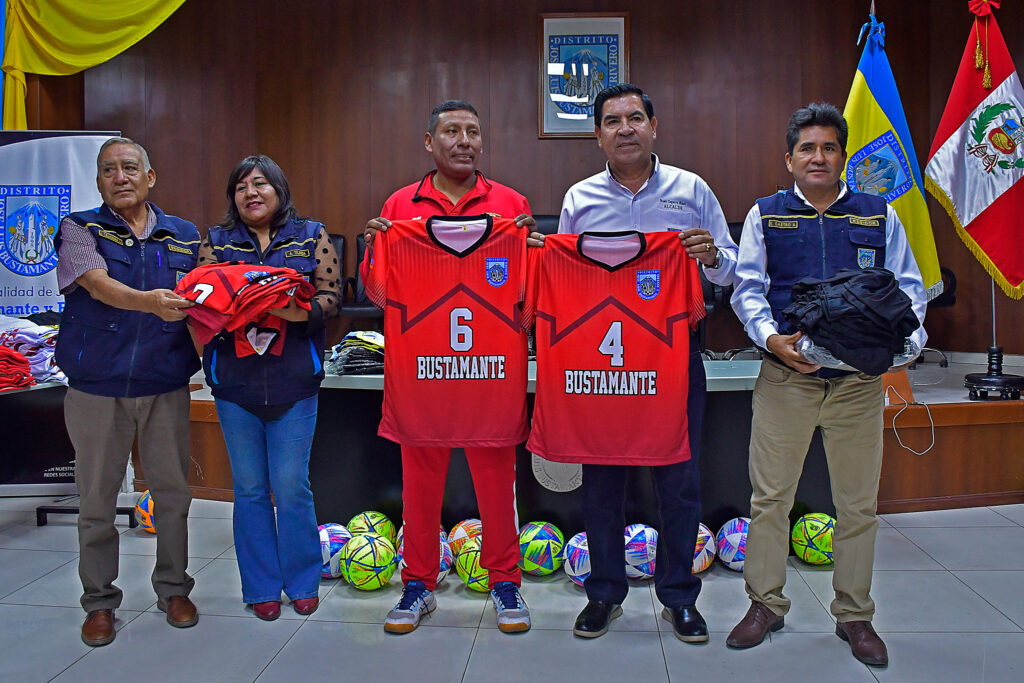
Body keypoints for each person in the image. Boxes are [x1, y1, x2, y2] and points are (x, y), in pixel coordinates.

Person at [727, 102, 927, 666]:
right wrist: (771, 340)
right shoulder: (765, 215)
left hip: (858, 385)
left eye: (829, 147)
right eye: (807, 148)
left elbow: (908, 292)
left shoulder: (876, 214)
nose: (819, 157)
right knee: (770, 500)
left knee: (858, 504)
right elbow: (747, 289)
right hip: (787, 380)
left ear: (843, 156)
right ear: (789, 158)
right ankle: (765, 604)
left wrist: (902, 347)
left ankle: (854, 615)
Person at [548, 83, 739, 642]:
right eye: (612, 121)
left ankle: (679, 596)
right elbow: (566, 280)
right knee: (602, 478)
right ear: (598, 135)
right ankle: (604, 594)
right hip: (601, 365)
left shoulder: (692, 189)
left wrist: (711, 258)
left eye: (635, 118)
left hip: (675, 355)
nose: (624, 129)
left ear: (654, 126)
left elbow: (732, 268)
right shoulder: (579, 199)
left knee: (678, 480)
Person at [364, 99, 535, 634]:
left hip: (490, 374)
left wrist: (531, 247)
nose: (464, 140)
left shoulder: (511, 205)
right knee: (419, 487)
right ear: (429, 141)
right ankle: (417, 584)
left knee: (496, 485)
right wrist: (375, 248)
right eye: (452, 131)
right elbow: (379, 293)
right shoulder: (399, 207)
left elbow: (528, 299)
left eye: (473, 132)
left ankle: (506, 583)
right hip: (422, 375)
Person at [54, 137, 200, 646]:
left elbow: (205, 298)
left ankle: (174, 589)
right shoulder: (77, 228)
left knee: (174, 496)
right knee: (96, 499)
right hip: (97, 387)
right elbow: (96, 284)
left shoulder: (185, 236)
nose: (120, 177)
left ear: (150, 176)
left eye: (130, 167)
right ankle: (99, 602)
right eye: (109, 170)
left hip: (165, 384)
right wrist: (148, 301)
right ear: (98, 181)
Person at [195, 155, 340, 621]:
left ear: (279, 189)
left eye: (260, 184)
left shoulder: (309, 234)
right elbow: (198, 300)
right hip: (234, 385)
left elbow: (332, 296)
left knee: (292, 486)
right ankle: (259, 586)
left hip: (294, 381)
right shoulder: (215, 242)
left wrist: (297, 312)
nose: (251, 193)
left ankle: (301, 581)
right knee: (251, 489)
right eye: (241, 187)